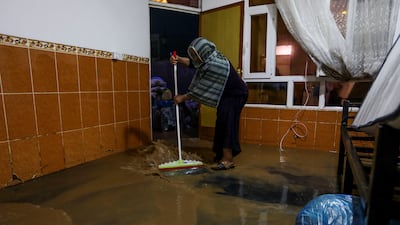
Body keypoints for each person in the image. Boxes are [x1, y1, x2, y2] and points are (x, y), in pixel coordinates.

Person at [170, 37, 248, 170]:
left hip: (236, 94)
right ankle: (220, 154)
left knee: (228, 123)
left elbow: (201, 90)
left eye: (196, 54)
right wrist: (179, 59)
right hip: (226, 95)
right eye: (193, 54)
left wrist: (183, 98)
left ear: (204, 51)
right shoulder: (208, 59)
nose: (194, 57)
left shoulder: (215, 64)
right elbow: (194, 63)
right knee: (221, 123)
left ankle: (228, 160)